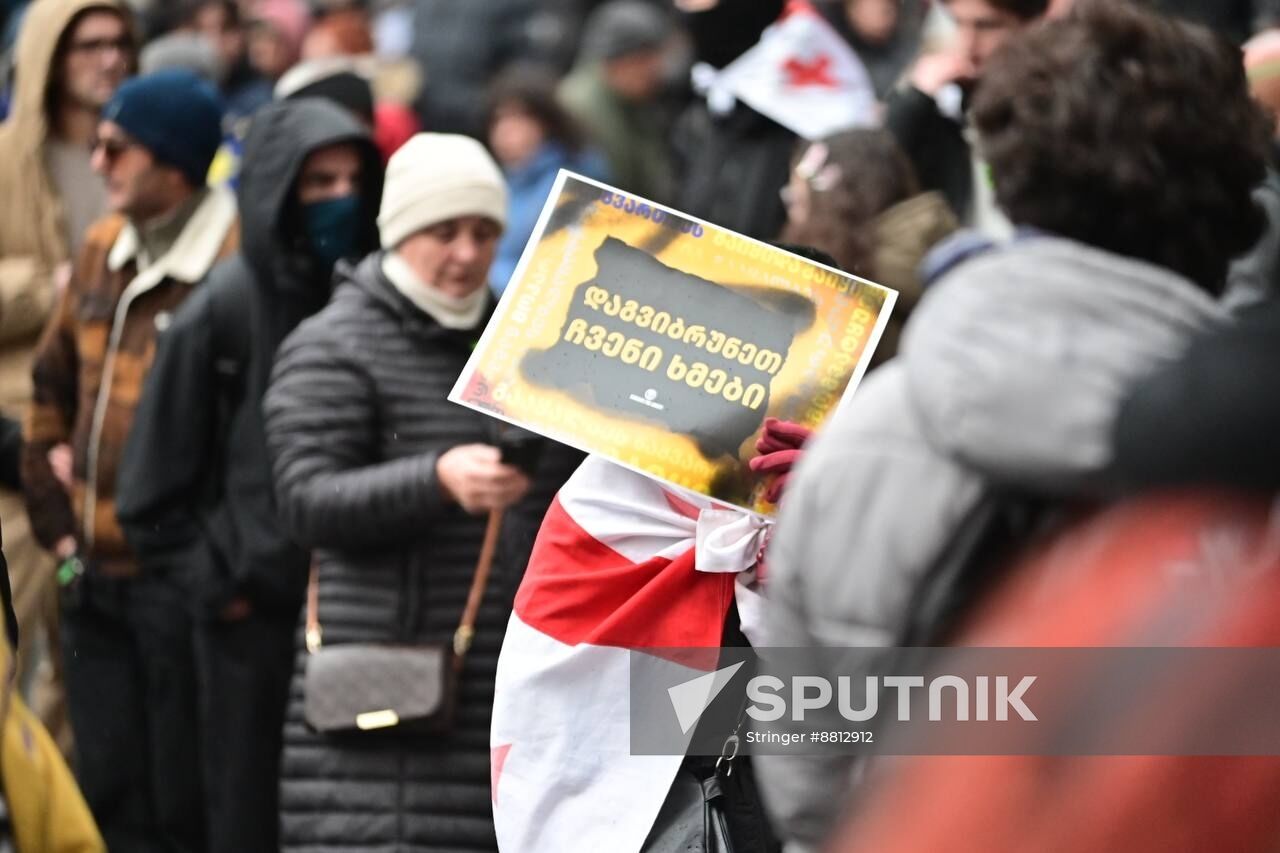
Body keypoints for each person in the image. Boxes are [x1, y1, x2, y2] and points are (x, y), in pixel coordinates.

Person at [758, 1, 1271, 848]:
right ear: (1228, 205)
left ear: (1010, 172)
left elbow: (802, 771)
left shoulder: (857, 440)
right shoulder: (1254, 475)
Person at [264, 132, 578, 852]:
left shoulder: (523, 347)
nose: (467, 253)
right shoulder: (332, 343)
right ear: (400, 230)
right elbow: (304, 501)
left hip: (501, 689)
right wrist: (434, 479)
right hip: (380, 710)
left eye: (483, 232)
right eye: (444, 232)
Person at [115, 98, 382, 853]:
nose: (341, 199)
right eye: (317, 181)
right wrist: (223, 587)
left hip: (350, 616)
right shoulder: (223, 308)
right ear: (275, 189)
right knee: (246, 812)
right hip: (250, 627)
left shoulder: (364, 299)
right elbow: (147, 493)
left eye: (352, 180)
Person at [20, 68, 232, 852]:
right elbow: (48, 390)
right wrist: (60, 529)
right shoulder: (104, 243)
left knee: (183, 802)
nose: (99, 160)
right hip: (92, 574)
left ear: (173, 165)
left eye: (118, 146)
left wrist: (204, 566)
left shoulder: (231, 265)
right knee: (107, 796)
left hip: (178, 587)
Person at [0, 0, 133, 753]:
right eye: (88, 45)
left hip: (111, 447)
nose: (107, 58)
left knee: (86, 676)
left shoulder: (138, 157)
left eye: (120, 42)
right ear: (49, 54)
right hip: (16, 450)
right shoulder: (9, 161)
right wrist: (42, 285)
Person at [778, 129, 957, 363]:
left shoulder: (860, 280)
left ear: (835, 207)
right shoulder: (935, 252)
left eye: (799, 201)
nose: (793, 217)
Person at [884, 0, 1048, 229]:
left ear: (1032, 27)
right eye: (958, 23)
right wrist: (915, 97)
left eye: (987, 26)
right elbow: (882, 174)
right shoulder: (947, 114)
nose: (968, 44)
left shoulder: (1058, 111)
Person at [486, 66, 608, 294]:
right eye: (499, 119)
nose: (505, 130)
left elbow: (554, 276)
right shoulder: (505, 179)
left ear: (546, 123)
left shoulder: (574, 184)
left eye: (518, 118)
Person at [559, 0, 675, 202]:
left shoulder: (634, 103)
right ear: (616, 60)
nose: (656, 69)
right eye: (644, 58)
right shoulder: (580, 108)